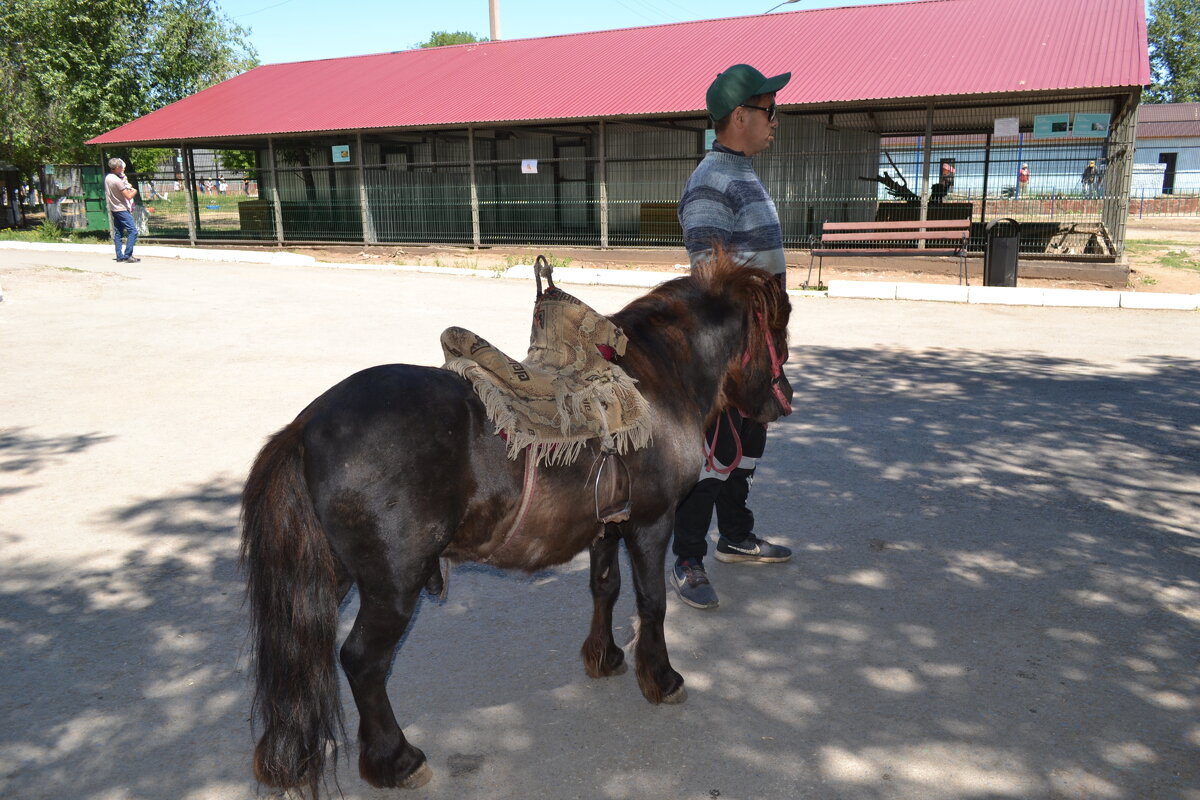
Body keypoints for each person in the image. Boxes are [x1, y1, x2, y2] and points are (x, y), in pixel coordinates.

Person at [670, 63, 794, 610]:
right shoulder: (710, 182)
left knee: (749, 447)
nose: (775, 121)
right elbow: (708, 278)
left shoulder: (740, 170)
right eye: (769, 111)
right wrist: (733, 355)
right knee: (716, 454)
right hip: (732, 347)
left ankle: (736, 536)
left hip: (760, 343)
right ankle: (687, 558)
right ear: (739, 115)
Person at [104, 157, 140, 263]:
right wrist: (134, 191)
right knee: (133, 231)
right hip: (122, 208)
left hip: (114, 208)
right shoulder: (117, 181)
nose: (122, 169)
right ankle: (128, 255)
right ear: (117, 167)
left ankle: (119, 256)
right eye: (121, 167)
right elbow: (128, 196)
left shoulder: (108, 178)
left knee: (118, 232)